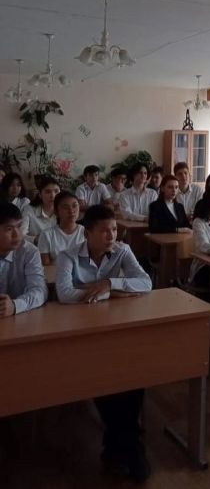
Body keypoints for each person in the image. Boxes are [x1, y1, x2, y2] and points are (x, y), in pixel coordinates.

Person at [55, 205, 152, 482]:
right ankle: (131, 447)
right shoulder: (68, 256)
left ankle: (117, 448)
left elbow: (145, 283)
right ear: (87, 234)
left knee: (132, 377)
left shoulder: (122, 250)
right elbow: (64, 294)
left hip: (114, 328)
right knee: (103, 379)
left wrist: (109, 285)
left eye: (114, 229)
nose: (111, 236)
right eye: (104, 231)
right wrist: (116, 291)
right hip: (79, 334)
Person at [0, 202, 47, 316]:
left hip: (21, 317)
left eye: (19, 226)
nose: (17, 234)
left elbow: (39, 291)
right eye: (9, 229)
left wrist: (15, 306)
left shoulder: (29, 252)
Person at [38, 191, 85, 265]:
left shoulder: (86, 232)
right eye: (65, 207)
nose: (71, 211)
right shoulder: (46, 235)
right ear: (56, 212)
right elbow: (46, 265)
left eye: (74, 206)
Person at [22, 175, 61, 242]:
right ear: (40, 195)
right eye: (48, 192)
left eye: (56, 191)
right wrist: (35, 239)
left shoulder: (63, 210)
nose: (53, 195)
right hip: (34, 247)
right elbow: (20, 235)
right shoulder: (29, 209)